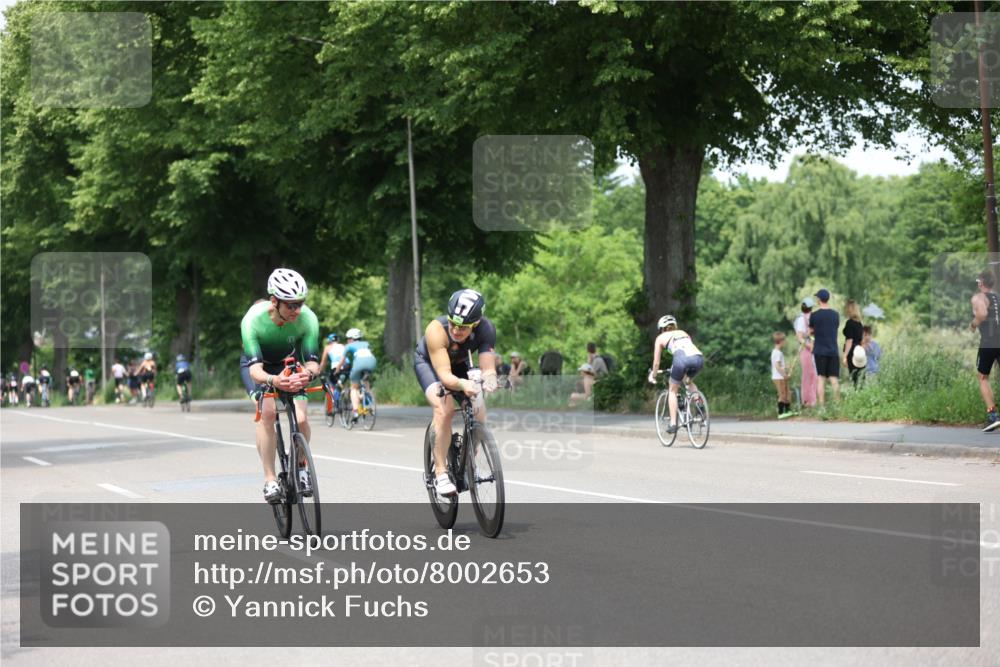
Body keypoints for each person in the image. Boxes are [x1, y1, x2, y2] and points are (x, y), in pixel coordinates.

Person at [241, 268, 322, 502]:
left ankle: (301, 467)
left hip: (288, 362)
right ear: (274, 301)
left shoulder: (308, 318)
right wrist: (274, 380)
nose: (297, 310)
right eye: (291, 305)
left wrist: (307, 374)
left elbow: (313, 362)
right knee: (267, 414)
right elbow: (255, 371)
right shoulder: (252, 321)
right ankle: (270, 479)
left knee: (303, 419)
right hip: (259, 366)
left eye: (300, 303)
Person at [413, 288, 498, 497]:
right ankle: (441, 473)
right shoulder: (436, 330)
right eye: (452, 323)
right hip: (432, 366)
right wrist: (462, 385)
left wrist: (490, 379)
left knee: (479, 409)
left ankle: (470, 459)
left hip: (460, 365)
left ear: (476, 324)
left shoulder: (486, 329)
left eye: (463, 327)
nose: (456, 330)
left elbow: (488, 368)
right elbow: (444, 375)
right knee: (444, 409)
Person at [647, 315, 705, 434]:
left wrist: (653, 375)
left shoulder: (660, 338)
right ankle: (700, 406)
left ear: (661, 329)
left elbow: (656, 363)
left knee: (672, 390)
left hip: (681, 360)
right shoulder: (683, 332)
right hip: (698, 358)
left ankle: (673, 423)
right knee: (687, 381)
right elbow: (688, 349)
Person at [970, 269, 1000, 431]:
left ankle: (992, 415)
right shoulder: (998, 297)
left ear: (981, 282)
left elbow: (981, 313)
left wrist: (973, 324)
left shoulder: (979, 297)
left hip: (989, 342)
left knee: (983, 377)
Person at [333, 328, 377, 423]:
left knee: (354, 388)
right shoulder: (366, 343)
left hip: (359, 364)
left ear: (351, 338)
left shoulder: (349, 346)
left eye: (348, 338)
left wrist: (337, 370)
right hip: (372, 362)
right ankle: (368, 400)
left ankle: (356, 412)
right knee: (365, 381)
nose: (348, 340)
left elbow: (342, 360)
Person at [809, 288, 840, 406]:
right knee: (834, 379)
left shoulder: (814, 315)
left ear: (819, 299)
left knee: (821, 378)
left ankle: (822, 407)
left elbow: (811, 332)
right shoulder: (835, 315)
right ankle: (838, 406)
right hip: (833, 350)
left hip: (820, 351)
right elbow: (834, 328)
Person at [793, 297, 818, 407]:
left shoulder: (812, 317)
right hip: (806, 349)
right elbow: (799, 337)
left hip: (813, 348)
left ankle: (814, 400)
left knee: (815, 374)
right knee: (808, 375)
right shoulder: (801, 319)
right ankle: (806, 401)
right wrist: (809, 345)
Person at [317, 332, 347, 415]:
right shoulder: (343, 346)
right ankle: (345, 396)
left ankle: (335, 403)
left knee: (331, 385)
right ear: (338, 340)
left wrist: (319, 372)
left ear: (329, 341)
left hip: (336, 368)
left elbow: (323, 362)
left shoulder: (328, 347)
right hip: (346, 367)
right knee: (341, 383)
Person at [842, 299, 865, 389]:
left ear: (849, 309)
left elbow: (849, 341)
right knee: (861, 377)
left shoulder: (850, 323)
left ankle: (856, 396)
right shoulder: (859, 324)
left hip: (852, 352)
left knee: (854, 377)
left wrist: (844, 356)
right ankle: (862, 396)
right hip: (860, 352)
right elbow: (862, 340)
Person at [771, 332, 792, 417]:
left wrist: (786, 366)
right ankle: (781, 413)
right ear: (781, 341)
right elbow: (777, 366)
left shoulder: (776, 352)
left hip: (780, 376)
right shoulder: (777, 353)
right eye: (784, 341)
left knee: (787, 393)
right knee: (782, 394)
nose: (785, 343)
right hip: (779, 377)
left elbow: (780, 366)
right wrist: (785, 375)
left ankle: (787, 411)